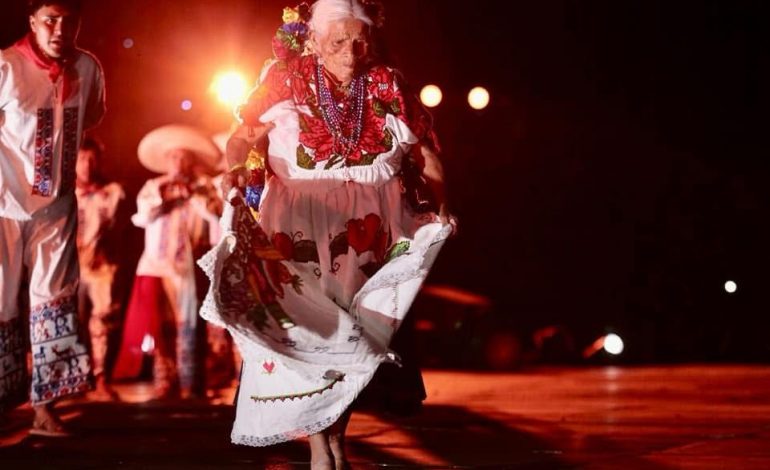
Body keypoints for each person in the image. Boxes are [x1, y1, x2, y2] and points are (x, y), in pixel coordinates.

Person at [198, 1, 456, 468]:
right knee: (311, 333)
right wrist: (235, 168)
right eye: (338, 41)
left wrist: (441, 208)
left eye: (360, 40)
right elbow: (242, 137)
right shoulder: (283, 79)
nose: (352, 51)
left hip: (371, 230)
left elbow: (427, 158)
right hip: (299, 221)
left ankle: (334, 435)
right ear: (313, 40)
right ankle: (322, 445)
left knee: (356, 338)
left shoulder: (388, 83)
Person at [0, 0, 105, 437]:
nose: (60, 29)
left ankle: (47, 407)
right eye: (50, 20)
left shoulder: (89, 67)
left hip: (57, 205)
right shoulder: (5, 65)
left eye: (69, 21)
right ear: (32, 22)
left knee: (55, 299)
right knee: (1, 297)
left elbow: (92, 117)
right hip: (3, 202)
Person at [113, 125, 222, 400]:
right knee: (159, 323)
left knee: (189, 324)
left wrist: (193, 195)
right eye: (173, 157)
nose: (178, 162)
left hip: (187, 268)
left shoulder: (204, 187)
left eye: (183, 157)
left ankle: (190, 384)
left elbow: (215, 216)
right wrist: (166, 195)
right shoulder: (153, 186)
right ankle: (165, 381)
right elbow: (143, 216)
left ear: (192, 161)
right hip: (156, 265)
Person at [75, 136, 125, 400]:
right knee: (72, 321)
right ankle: (73, 381)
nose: (87, 165)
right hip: (70, 267)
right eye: (82, 158)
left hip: (100, 265)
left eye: (92, 159)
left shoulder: (111, 192)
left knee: (102, 321)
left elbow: (112, 226)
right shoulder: (64, 192)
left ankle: (101, 378)